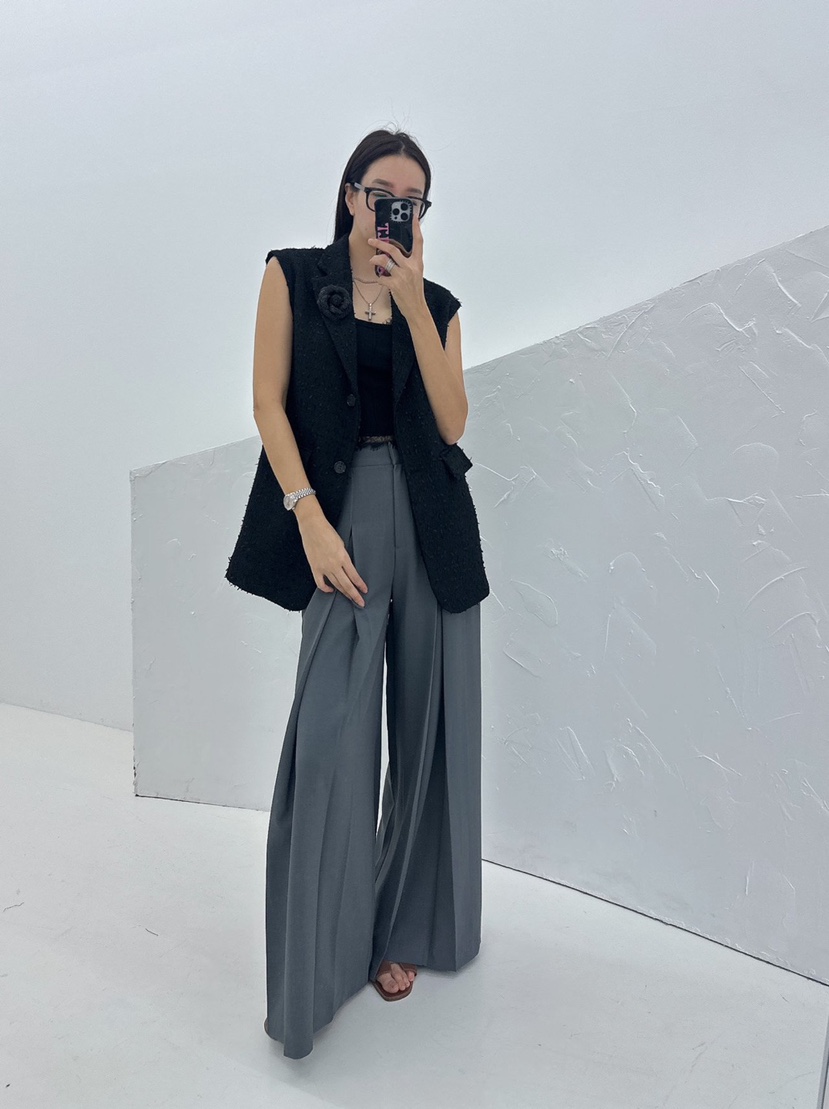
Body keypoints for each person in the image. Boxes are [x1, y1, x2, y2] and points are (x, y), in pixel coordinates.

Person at [226, 127, 489, 1058]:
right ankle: (323, 957)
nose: (396, 210)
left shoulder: (439, 303)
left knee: (427, 731)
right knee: (331, 738)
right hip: (337, 515)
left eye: (413, 201)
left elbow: (451, 422)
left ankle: (404, 927)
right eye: (383, 193)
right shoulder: (293, 276)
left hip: (433, 521)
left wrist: (413, 304)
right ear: (350, 194)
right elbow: (267, 400)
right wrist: (306, 514)